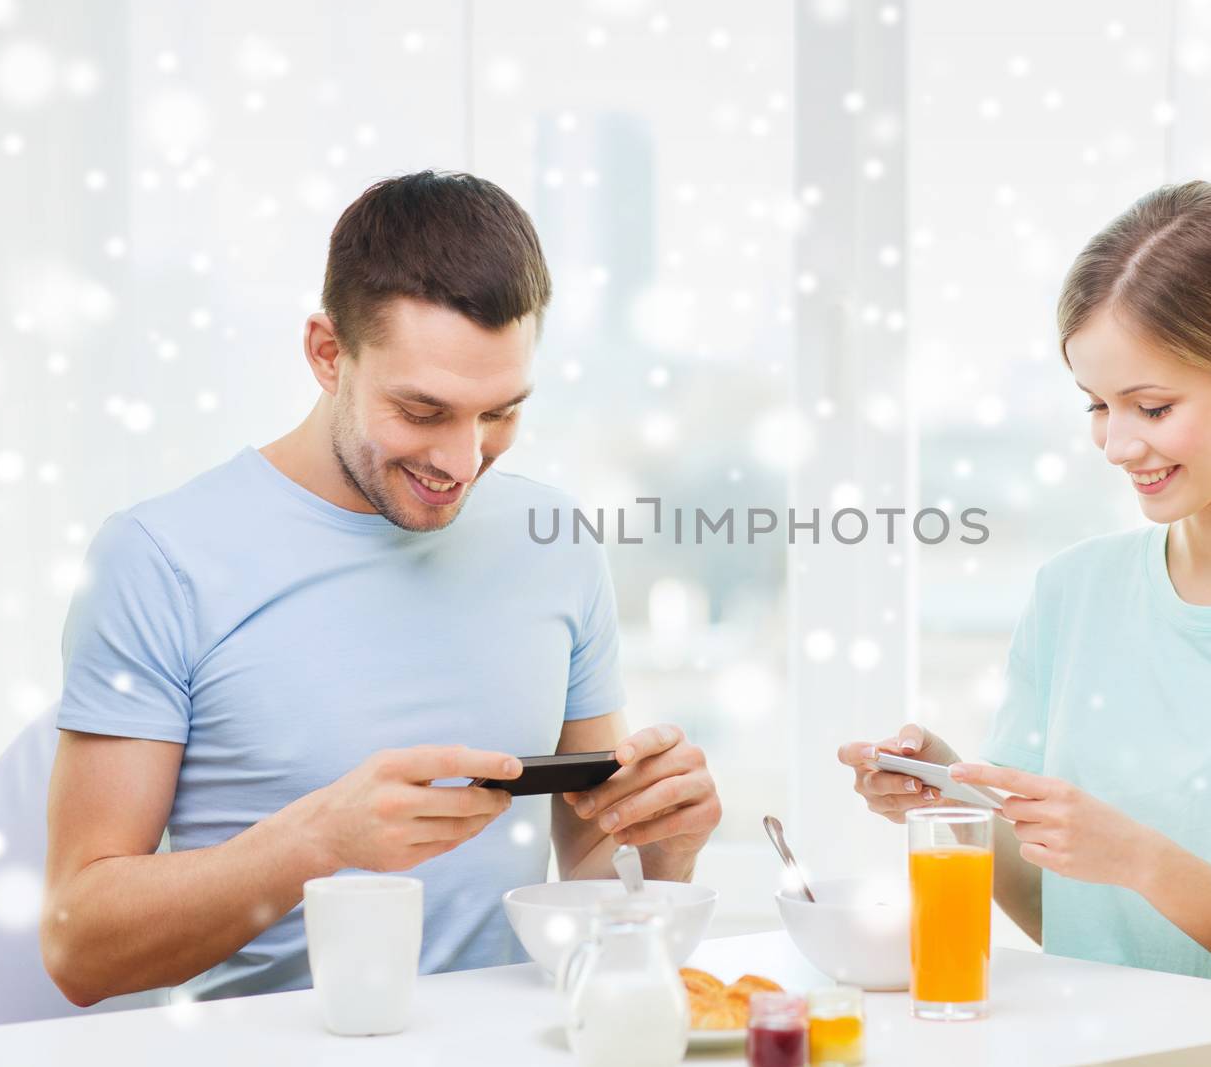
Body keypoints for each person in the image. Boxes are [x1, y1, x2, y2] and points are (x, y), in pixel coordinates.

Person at [41, 171, 721, 1006]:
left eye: (500, 411)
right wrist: (316, 840)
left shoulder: (557, 540)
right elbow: (79, 946)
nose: (464, 461)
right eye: (423, 410)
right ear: (329, 354)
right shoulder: (159, 559)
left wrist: (663, 849)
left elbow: (587, 876)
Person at [840, 182, 1211, 1066]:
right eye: (1096, 404)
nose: (1118, 444)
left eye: (1152, 407)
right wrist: (948, 791)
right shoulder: (1070, 593)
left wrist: (1138, 857)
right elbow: (1070, 914)